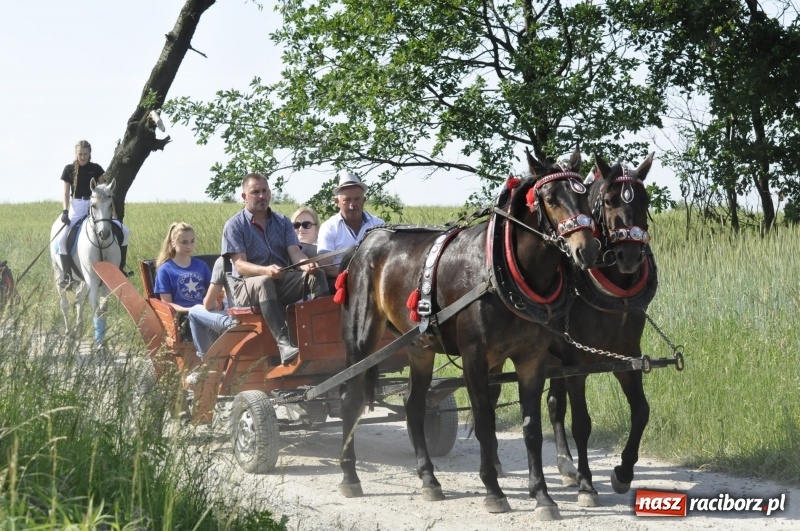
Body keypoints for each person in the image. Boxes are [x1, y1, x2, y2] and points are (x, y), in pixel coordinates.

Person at [221, 173, 328, 364]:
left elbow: (295, 253)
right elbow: (240, 265)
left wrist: (307, 264)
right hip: (245, 287)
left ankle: (322, 334)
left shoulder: (283, 221)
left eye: (264, 191)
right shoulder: (234, 225)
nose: (261, 196)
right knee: (264, 282)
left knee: (316, 274)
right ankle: (284, 344)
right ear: (244, 196)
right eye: (255, 192)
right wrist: (265, 270)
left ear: (269, 193)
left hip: (281, 279)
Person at [56, 140, 131, 287]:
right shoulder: (68, 169)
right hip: (77, 206)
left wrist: (112, 212)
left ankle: (121, 268)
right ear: (76, 154)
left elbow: (105, 191)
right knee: (61, 240)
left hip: (97, 206)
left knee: (125, 232)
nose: (82, 157)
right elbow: (65, 193)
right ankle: (67, 276)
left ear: (90, 154)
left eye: (85, 154)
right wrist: (65, 211)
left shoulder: (96, 169)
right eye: (80, 154)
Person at [317, 172, 385, 285]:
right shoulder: (328, 227)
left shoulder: (378, 225)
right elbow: (326, 266)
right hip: (340, 283)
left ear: (364, 201)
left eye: (357, 199)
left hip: (374, 282)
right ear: (337, 202)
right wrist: (353, 278)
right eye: (347, 200)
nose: (352, 204)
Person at [187, 256, 239, 360]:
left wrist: (215, 301)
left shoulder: (224, 261)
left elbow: (208, 304)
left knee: (194, 311)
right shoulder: (268, 260)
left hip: (237, 322)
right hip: (265, 319)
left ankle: (207, 363)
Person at [153, 222, 211, 312]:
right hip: (183, 314)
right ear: (173, 243)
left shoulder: (202, 266)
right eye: (184, 242)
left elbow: (214, 292)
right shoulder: (165, 270)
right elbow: (167, 303)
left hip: (206, 311)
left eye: (192, 241)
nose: (189, 246)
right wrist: (190, 310)